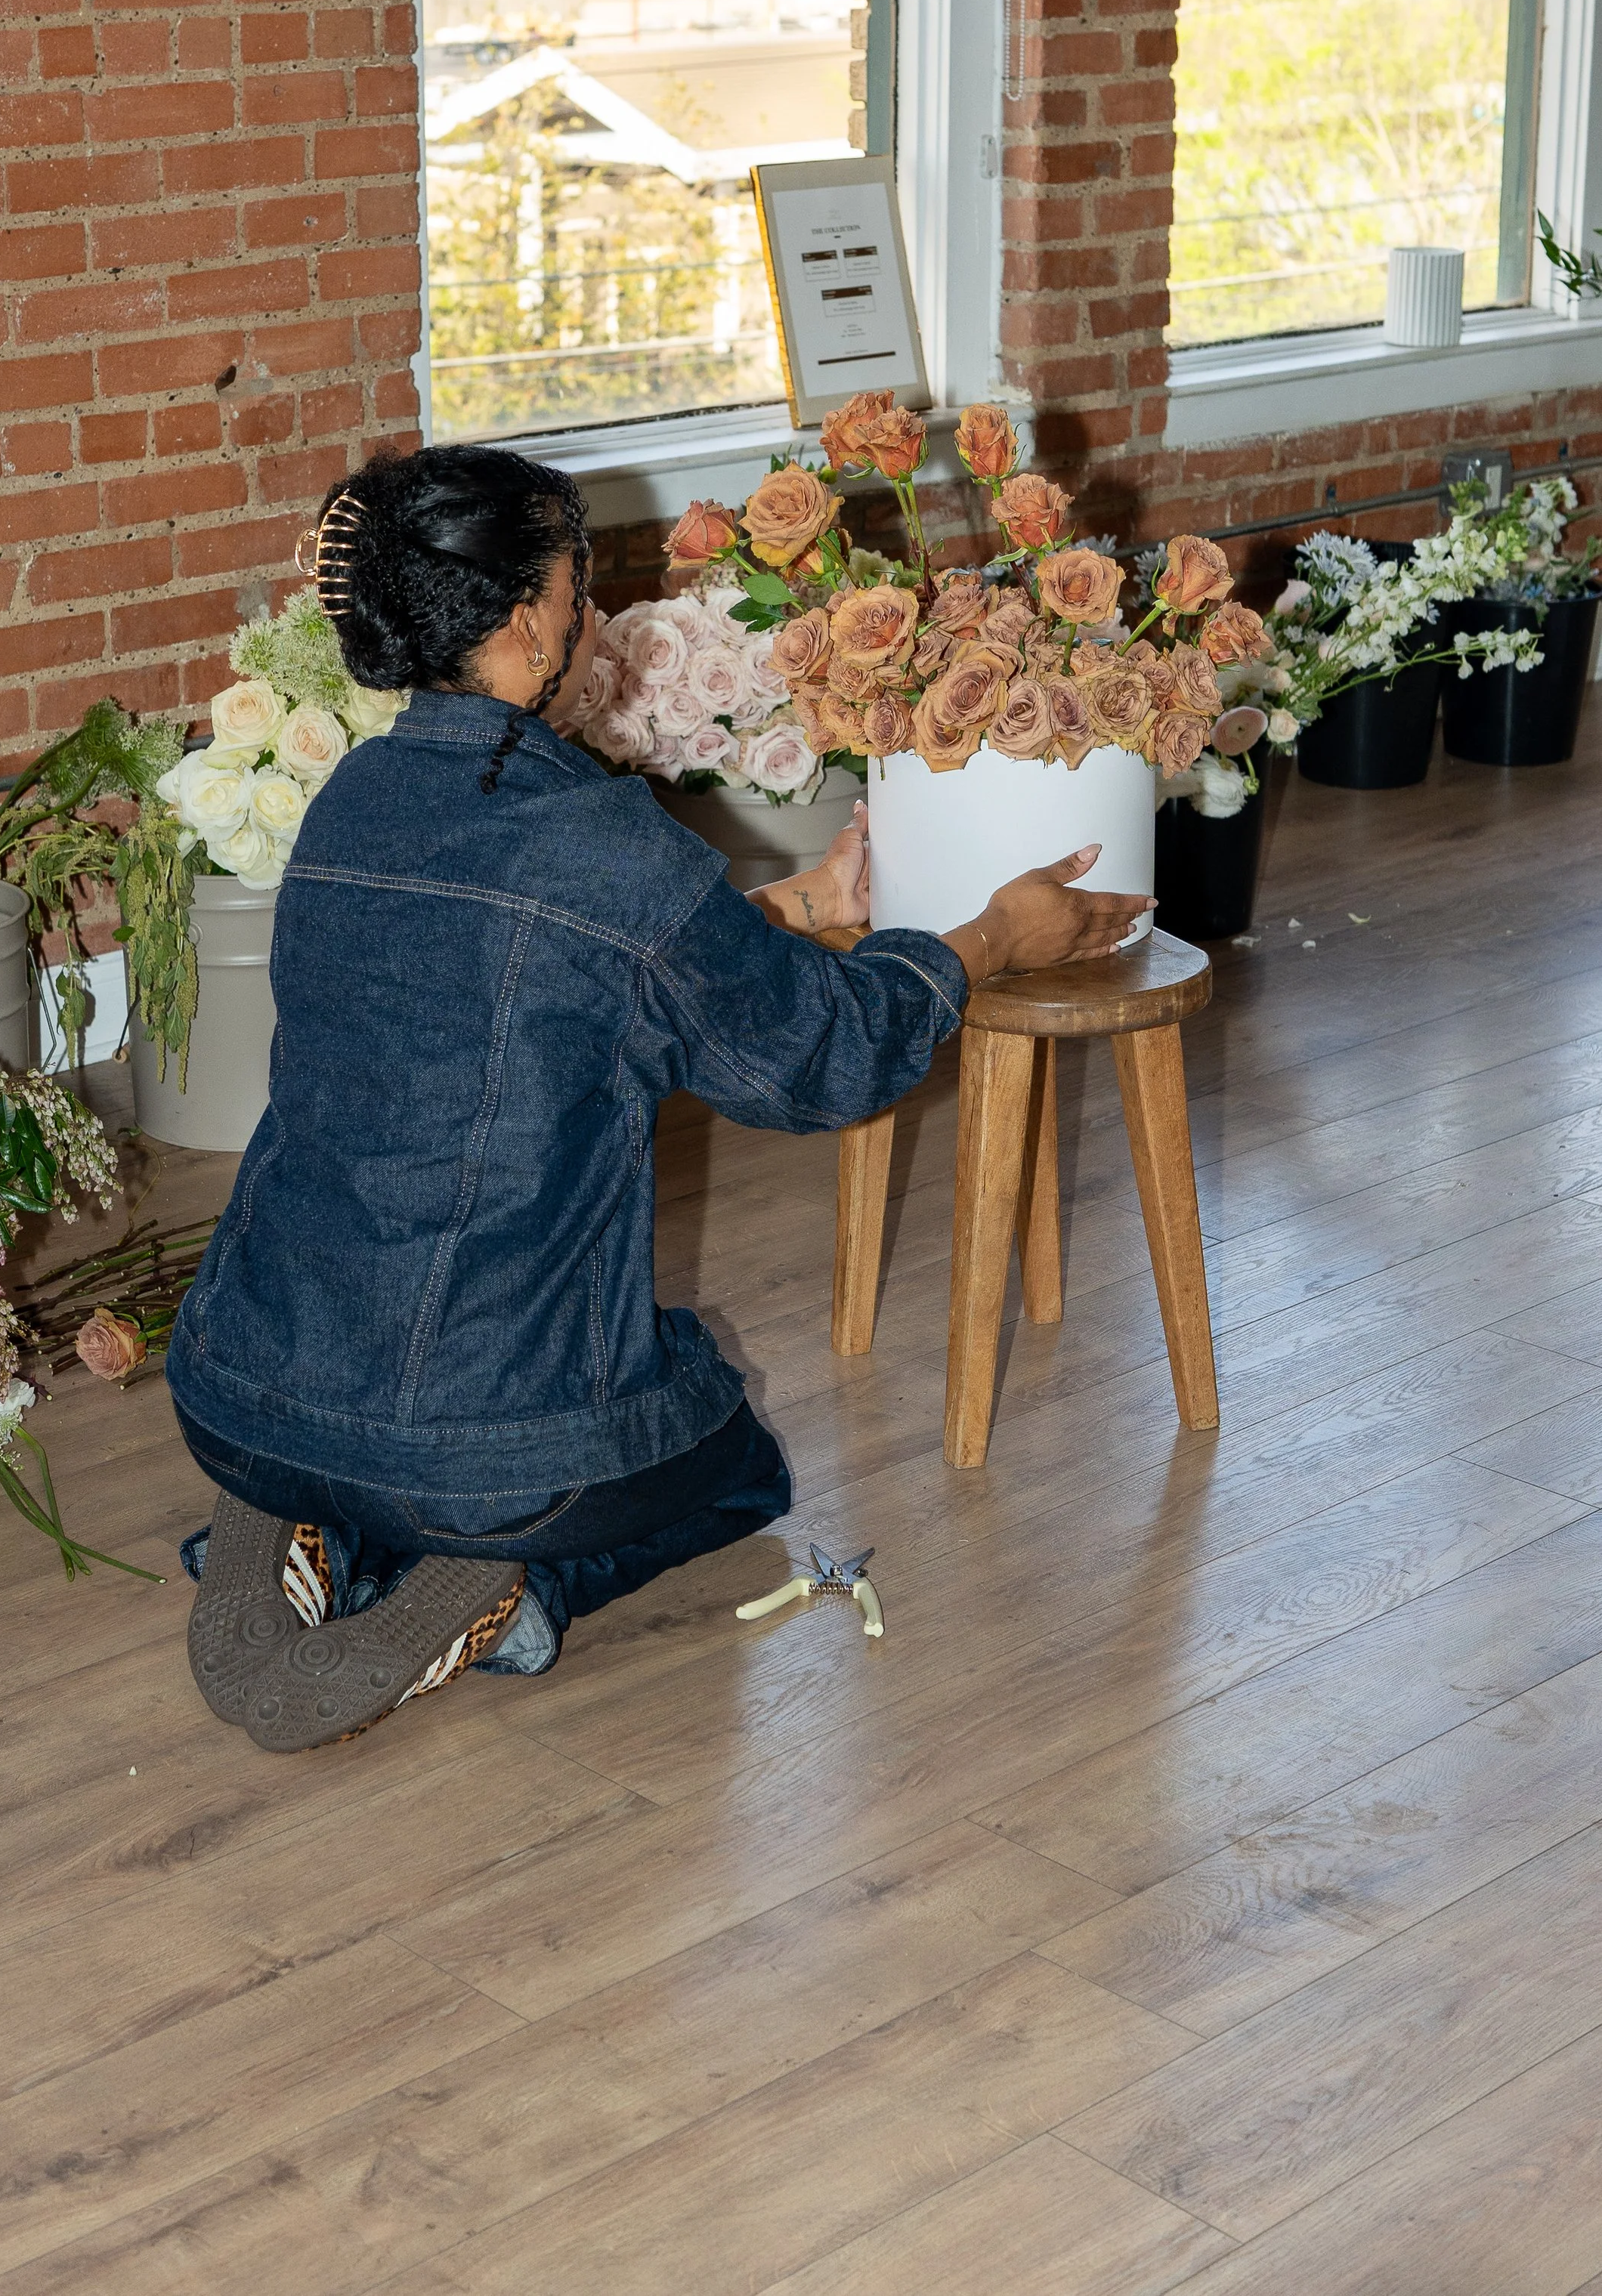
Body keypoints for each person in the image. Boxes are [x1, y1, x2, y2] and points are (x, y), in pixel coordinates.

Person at [169, 443, 1152, 1751]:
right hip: (490, 1449)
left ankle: (302, 1505)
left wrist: (796, 909)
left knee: (470, 1388)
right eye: (581, 588)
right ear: (528, 620)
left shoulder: (349, 803)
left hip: (240, 1375)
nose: (592, 616)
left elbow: (544, 978)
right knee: (732, 1456)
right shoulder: (605, 840)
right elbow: (818, 1061)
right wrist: (988, 941)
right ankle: (509, 1584)